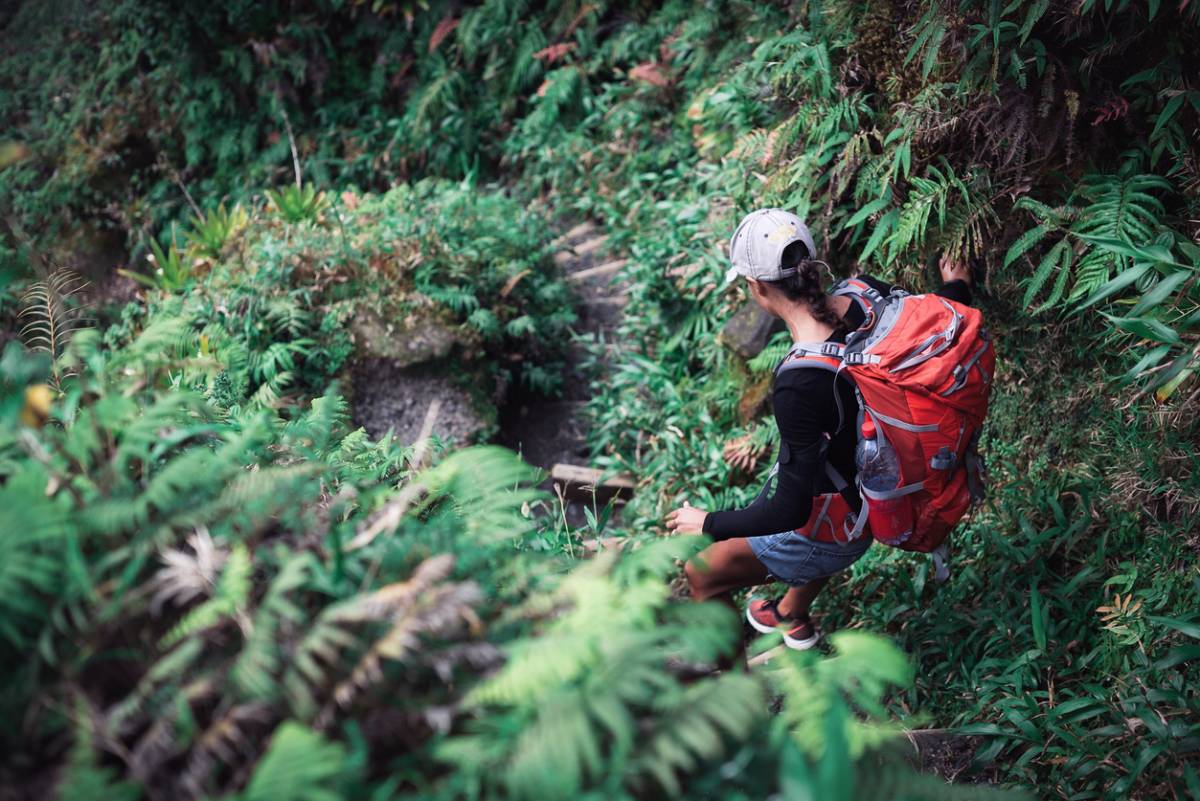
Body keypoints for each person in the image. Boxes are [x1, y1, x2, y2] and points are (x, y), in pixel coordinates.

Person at [664, 208, 972, 650]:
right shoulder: (868, 295)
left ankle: (734, 696)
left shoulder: (800, 380)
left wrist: (709, 522)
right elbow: (933, 337)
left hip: (840, 525)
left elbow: (790, 508)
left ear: (756, 287)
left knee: (703, 574)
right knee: (829, 472)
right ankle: (790, 613)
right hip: (876, 495)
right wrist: (956, 285)